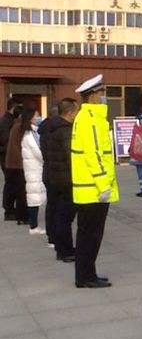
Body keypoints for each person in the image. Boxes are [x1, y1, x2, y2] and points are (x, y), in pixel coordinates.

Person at [72, 74, 118, 288]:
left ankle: (87, 273)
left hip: (90, 189)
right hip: (93, 190)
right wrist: (103, 185)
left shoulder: (89, 118)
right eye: (101, 93)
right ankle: (86, 277)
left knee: (89, 235)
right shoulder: (90, 120)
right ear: (91, 96)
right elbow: (94, 155)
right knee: (90, 236)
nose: (103, 96)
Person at [40, 98, 78, 262]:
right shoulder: (65, 131)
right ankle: (66, 250)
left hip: (52, 175)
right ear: (70, 113)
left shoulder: (49, 127)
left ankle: (59, 246)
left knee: (56, 213)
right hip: (65, 178)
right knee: (65, 217)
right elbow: (70, 157)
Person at [20, 108, 47, 235]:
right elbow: (38, 152)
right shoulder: (29, 135)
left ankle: (34, 225)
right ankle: (33, 226)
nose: (39, 117)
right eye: (37, 115)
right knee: (33, 198)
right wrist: (47, 158)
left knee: (35, 197)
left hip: (35, 169)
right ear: (30, 118)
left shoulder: (34, 132)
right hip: (34, 169)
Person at [1, 98, 24, 221]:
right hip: (8, 157)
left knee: (12, 184)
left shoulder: (10, 121)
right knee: (11, 185)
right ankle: (9, 210)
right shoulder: (7, 122)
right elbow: (7, 141)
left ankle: (10, 209)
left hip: (9, 157)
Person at [4, 106, 27, 225]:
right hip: (18, 163)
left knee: (13, 188)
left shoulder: (14, 125)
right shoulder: (19, 127)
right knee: (20, 190)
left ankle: (13, 212)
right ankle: (21, 215)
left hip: (11, 162)